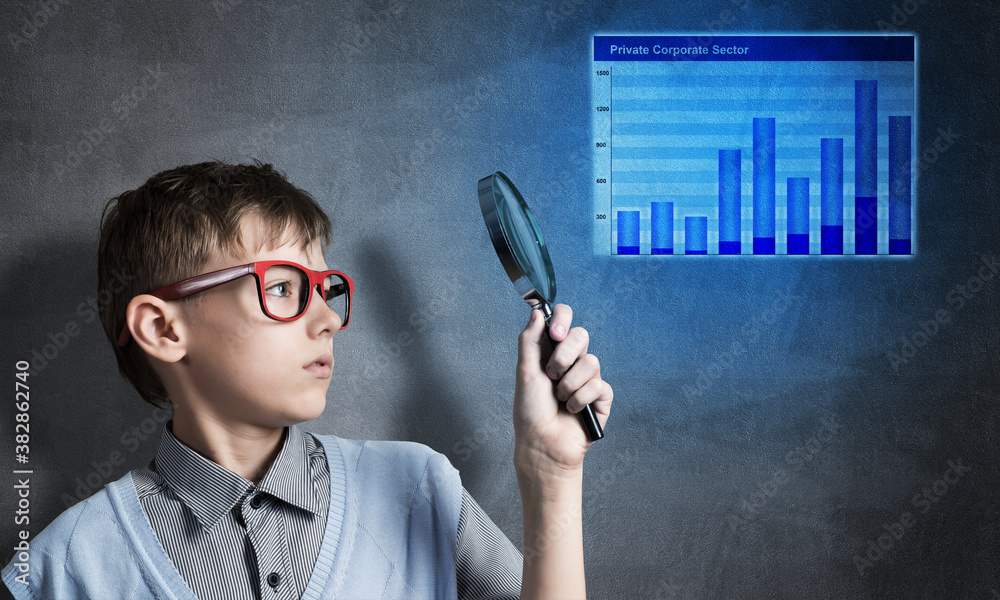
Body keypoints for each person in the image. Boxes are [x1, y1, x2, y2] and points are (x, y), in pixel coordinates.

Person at [1, 161, 613, 599]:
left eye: (327, 291)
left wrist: (552, 475)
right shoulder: (62, 568)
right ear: (163, 330)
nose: (327, 320)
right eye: (284, 289)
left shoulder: (420, 487)